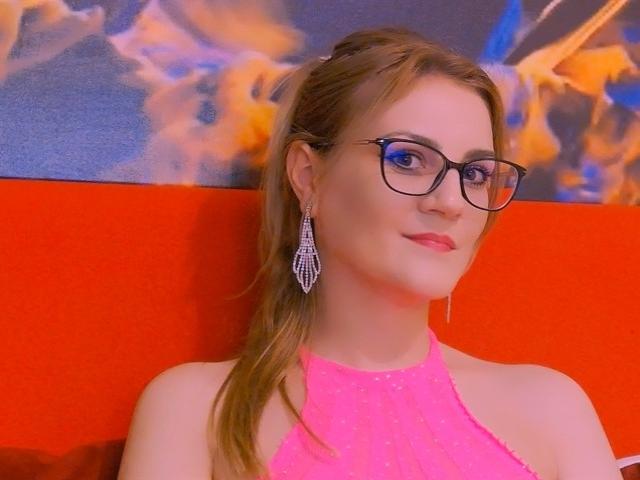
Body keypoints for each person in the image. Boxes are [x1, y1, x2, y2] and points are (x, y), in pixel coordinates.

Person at [116, 27, 623, 480]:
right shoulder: (197, 411)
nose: (450, 202)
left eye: (474, 174)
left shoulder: (552, 408)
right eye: (407, 159)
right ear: (308, 175)